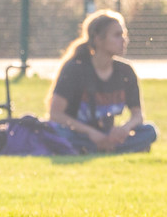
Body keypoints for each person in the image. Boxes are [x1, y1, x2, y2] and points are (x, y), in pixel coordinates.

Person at [48, 10, 158, 154]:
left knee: (149, 131)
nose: (124, 40)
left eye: (124, 35)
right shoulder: (75, 69)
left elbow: (138, 115)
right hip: (79, 133)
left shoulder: (125, 71)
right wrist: (90, 133)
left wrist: (124, 129)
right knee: (60, 134)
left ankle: (99, 149)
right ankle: (108, 149)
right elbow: (55, 115)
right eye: (117, 35)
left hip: (108, 135)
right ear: (98, 39)